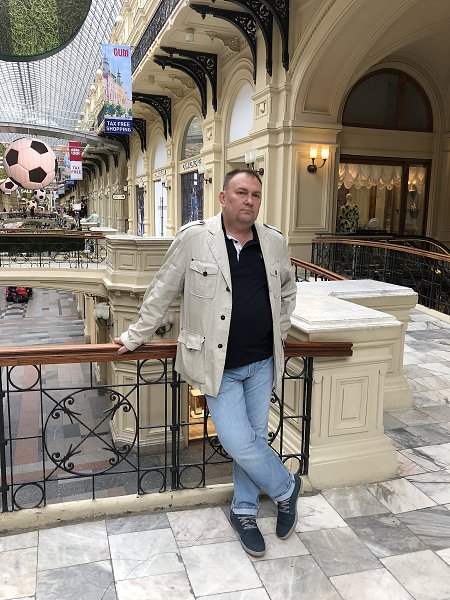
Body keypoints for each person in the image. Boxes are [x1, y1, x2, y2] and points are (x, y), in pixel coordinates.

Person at [114, 169, 301, 557]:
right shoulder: (195, 238)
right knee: (237, 441)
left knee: (252, 440)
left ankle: (244, 511)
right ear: (223, 197)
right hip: (219, 367)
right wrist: (134, 336)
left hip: (262, 361)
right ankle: (286, 487)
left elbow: (287, 291)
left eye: (255, 195)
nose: (249, 200)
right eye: (241, 192)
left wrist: (279, 333)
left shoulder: (273, 241)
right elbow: (162, 290)